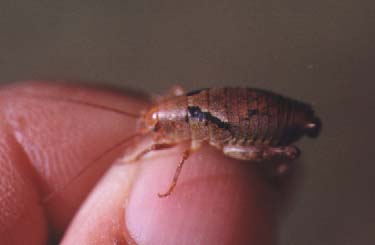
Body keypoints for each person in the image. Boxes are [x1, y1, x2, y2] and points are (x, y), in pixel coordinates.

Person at [0, 82, 283, 244]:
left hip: (254, 125)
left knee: (275, 154)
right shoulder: (182, 105)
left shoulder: (187, 138)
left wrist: (169, 181)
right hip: (235, 101)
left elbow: (180, 155)